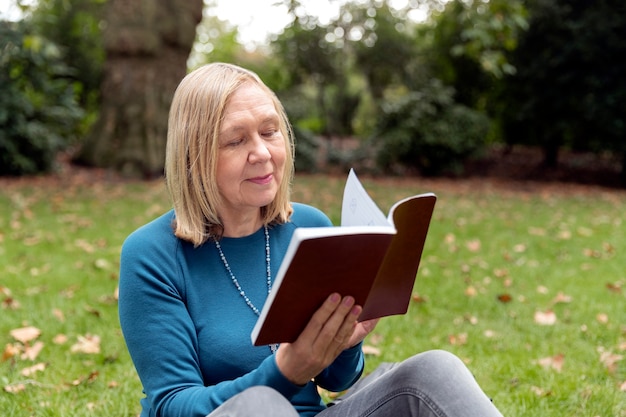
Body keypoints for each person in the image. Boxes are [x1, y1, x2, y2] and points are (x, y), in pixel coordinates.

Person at [118, 62, 504, 417]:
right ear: (194, 155)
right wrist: (284, 372)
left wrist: (347, 340)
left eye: (270, 132)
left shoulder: (308, 226)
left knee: (434, 369)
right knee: (261, 406)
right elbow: (172, 404)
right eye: (235, 141)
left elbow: (338, 381)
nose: (262, 153)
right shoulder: (152, 254)